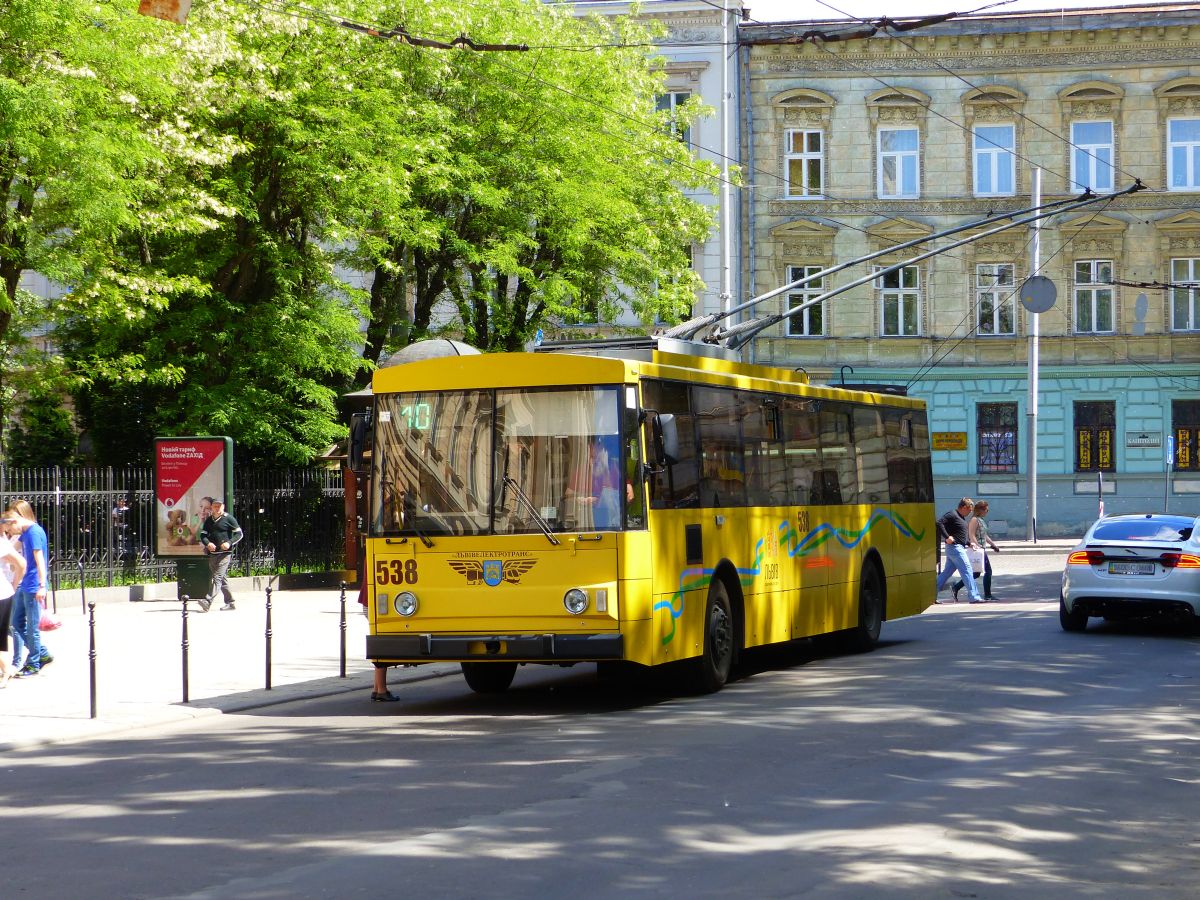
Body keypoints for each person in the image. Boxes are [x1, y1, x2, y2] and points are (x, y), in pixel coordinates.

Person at [7, 499, 52, 676]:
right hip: (25, 583)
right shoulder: (26, 532)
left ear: (18, 518)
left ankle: (34, 662)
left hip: (34, 585)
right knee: (16, 623)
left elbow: (40, 559)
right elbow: (10, 550)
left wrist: (42, 585)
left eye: (11, 526)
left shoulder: (33, 532)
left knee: (32, 627)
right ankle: (42, 653)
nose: (12, 532)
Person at [935, 497, 983, 604]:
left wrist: (969, 543)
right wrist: (947, 537)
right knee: (968, 570)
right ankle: (974, 596)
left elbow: (960, 536)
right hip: (955, 548)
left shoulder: (960, 517)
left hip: (957, 547)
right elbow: (939, 523)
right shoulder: (952, 514)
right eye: (969, 510)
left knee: (946, 573)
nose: (970, 512)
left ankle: (931, 596)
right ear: (964, 507)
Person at [198, 498, 243, 612]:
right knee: (221, 579)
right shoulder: (209, 520)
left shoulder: (229, 519)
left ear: (223, 507)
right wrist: (208, 544)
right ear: (212, 508)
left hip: (225, 554)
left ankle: (207, 601)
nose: (217, 508)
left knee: (217, 578)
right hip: (213, 554)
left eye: (219, 506)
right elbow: (203, 536)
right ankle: (230, 602)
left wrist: (229, 542)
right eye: (215, 506)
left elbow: (239, 534)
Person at [953, 499, 1001, 601]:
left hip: (981, 549)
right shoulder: (974, 520)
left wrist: (993, 545)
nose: (987, 512)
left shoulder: (981, 520)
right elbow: (971, 534)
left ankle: (956, 587)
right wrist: (977, 546)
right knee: (988, 571)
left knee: (976, 573)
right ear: (981, 510)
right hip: (978, 549)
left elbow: (984, 535)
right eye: (986, 510)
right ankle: (987, 595)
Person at [0, 514, 28, 687]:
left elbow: (21, 564)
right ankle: (7, 670)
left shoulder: (1, 543)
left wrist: (14, 583)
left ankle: (7, 670)